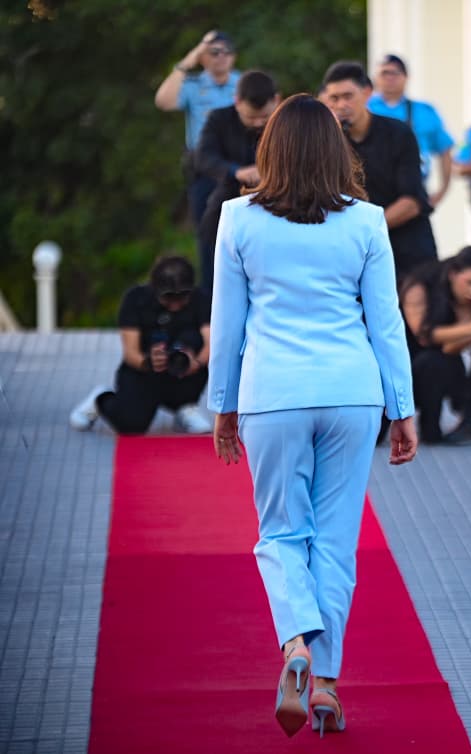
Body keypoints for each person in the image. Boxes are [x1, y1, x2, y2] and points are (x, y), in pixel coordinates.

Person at [208, 94, 416, 738]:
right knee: (335, 540)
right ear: (337, 151)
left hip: (274, 391)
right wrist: (402, 407)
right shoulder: (367, 221)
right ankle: (324, 684)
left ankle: (295, 640)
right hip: (352, 392)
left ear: (268, 150)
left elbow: (229, 324)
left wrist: (222, 406)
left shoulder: (238, 218)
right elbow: (385, 321)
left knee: (280, 534)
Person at [69, 256, 212, 435]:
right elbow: (131, 353)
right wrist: (149, 362)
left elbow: (211, 343)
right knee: (131, 425)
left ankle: (185, 407)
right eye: (169, 298)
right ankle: (101, 399)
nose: (175, 305)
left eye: (182, 297)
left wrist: (195, 362)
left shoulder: (202, 300)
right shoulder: (136, 300)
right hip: (144, 373)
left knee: (193, 338)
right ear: (155, 289)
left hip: (186, 376)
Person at [321, 61, 437, 280]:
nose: (341, 105)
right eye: (334, 99)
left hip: (407, 248)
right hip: (356, 252)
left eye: (348, 96)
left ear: (367, 93)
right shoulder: (329, 142)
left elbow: (411, 202)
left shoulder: (399, 133)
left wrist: (364, 230)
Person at [400, 246, 471, 445]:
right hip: (403, 371)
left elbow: (449, 348)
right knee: (430, 361)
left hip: (441, 366)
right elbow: (425, 336)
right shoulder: (419, 286)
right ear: (453, 274)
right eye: (470, 283)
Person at [195, 70, 280, 294]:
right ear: (237, 102)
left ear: (276, 101)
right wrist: (237, 172)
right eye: (252, 118)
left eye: (264, 117)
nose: (259, 123)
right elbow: (204, 157)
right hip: (230, 191)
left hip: (279, 197)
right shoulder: (218, 119)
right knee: (210, 236)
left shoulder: (286, 122)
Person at [154, 30, 241, 226]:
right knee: (206, 230)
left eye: (227, 51)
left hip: (239, 168)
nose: (221, 56)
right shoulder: (193, 85)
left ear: (234, 56)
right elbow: (163, 101)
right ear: (202, 58)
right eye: (214, 52)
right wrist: (190, 59)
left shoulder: (244, 83)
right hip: (205, 169)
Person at [368, 54, 456, 207]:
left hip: (413, 190)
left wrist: (443, 190)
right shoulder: (365, 109)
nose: (389, 78)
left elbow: (444, 149)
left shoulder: (424, 111)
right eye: (384, 73)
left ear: (406, 77)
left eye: (394, 73)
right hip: (371, 190)